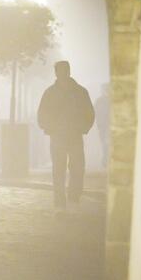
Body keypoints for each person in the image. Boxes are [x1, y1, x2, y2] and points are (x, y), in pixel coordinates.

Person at [37, 61, 95, 209]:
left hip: (73, 134)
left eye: (64, 70)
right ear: (56, 73)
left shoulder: (80, 92)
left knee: (76, 167)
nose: (62, 73)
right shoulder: (53, 92)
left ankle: (73, 196)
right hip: (58, 135)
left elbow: (89, 113)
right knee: (59, 169)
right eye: (60, 71)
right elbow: (42, 113)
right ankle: (60, 200)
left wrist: (83, 128)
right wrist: (49, 128)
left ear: (69, 71)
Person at [94, 83, 110, 167]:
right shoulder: (99, 101)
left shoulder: (101, 101)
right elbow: (95, 113)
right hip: (103, 126)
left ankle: (106, 160)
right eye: (105, 88)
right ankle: (105, 160)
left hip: (107, 125)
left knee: (106, 143)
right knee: (104, 143)